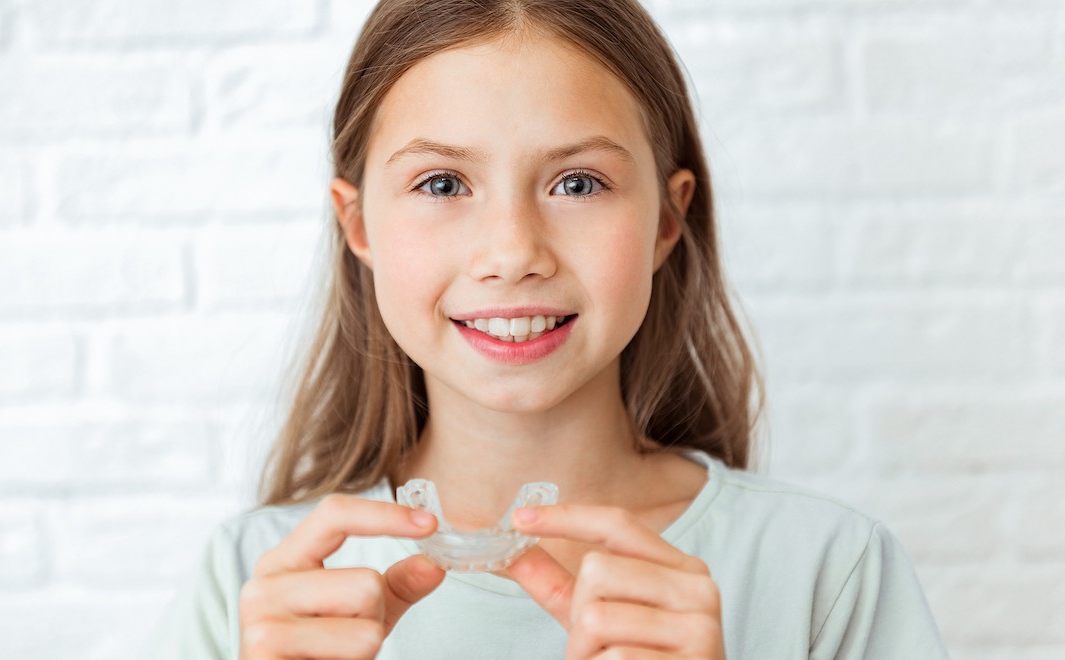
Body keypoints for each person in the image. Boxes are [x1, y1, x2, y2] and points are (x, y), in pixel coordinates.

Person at [145, 0, 949, 657]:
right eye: (441, 182)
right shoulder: (253, 586)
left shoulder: (828, 571)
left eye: (576, 181)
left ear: (669, 219)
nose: (512, 253)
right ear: (359, 227)